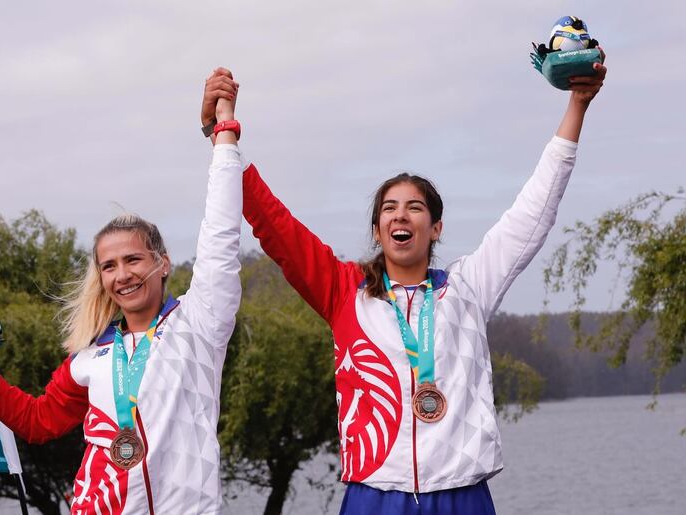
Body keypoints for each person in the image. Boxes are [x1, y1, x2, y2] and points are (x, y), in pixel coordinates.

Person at [201, 56, 607, 513]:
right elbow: (273, 224)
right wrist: (224, 135)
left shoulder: (469, 288)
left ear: (434, 227)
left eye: (415, 207)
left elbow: (536, 207)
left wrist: (578, 104)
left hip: (461, 494)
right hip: (374, 495)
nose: (401, 214)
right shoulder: (343, 291)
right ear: (378, 230)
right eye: (390, 208)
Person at [0, 70, 244, 515]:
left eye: (133, 260)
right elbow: (38, 422)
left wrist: (223, 137)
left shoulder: (201, 322)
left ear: (163, 262)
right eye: (109, 266)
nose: (123, 275)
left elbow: (222, 230)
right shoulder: (91, 356)